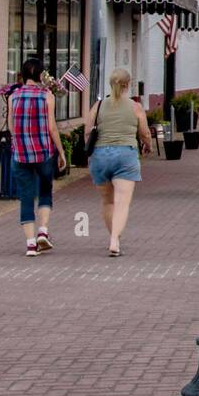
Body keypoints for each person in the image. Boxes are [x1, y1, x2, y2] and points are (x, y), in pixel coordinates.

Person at [85, 69, 152, 257]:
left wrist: (90, 153)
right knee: (122, 202)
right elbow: (145, 133)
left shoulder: (98, 106)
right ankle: (115, 240)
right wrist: (148, 146)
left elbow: (88, 131)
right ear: (128, 84)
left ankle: (113, 237)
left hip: (100, 155)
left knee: (107, 201)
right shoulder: (135, 107)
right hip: (125, 155)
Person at [9, 58, 67, 257]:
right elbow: (51, 127)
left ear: (23, 76)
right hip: (43, 152)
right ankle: (43, 231)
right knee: (44, 191)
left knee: (26, 196)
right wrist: (61, 151)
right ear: (41, 75)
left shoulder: (13, 96)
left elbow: (11, 127)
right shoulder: (47, 96)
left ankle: (31, 244)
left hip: (20, 154)